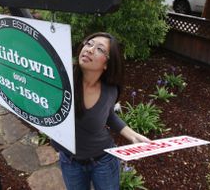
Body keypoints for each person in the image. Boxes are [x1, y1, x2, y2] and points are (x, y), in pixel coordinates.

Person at [52, 32, 150, 190]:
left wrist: (132, 135)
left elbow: (108, 115)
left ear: (107, 64)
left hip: (103, 160)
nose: (90, 50)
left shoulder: (110, 91)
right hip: (70, 162)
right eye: (89, 44)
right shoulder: (59, 79)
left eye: (100, 49)